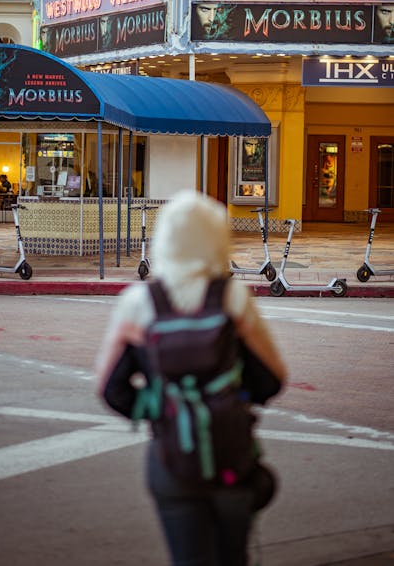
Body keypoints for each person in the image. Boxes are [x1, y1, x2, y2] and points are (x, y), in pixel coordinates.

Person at [96, 190, 287, 566]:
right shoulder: (233, 297)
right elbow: (274, 378)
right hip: (232, 456)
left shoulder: (139, 301)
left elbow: (110, 388)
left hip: (171, 460)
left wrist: (161, 410)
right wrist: (234, 397)